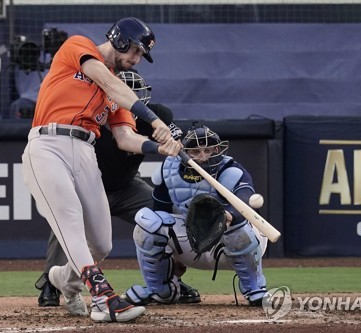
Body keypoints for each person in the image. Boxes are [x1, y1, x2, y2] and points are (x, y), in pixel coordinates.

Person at [21, 17, 182, 323]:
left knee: (101, 243)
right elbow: (106, 81)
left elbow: (125, 138)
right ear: (119, 40)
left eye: (139, 55)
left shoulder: (117, 97)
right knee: (69, 216)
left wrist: (158, 146)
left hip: (84, 150)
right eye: (134, 51)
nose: (135, 60)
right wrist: (157, 121)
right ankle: (103, 298)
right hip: (48, 143)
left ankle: (63, 279)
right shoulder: (78, 46)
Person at [35, 70, 200, 308]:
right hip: (88, 186)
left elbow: (178, 140)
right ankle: (52, 283)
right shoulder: (92, 116)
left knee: (166, 217)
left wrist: (179, 143)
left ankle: (166, 282)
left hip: (126, 187)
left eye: (134, 93)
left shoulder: (157, 116)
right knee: (67, 219)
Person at [123, 124, 268, 307]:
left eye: (208, 150)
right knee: (148, 223)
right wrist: (171, 256)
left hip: (229, 242)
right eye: (196, 152)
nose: (202, 157)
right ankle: (161, 290)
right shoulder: (169, 170)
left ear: (217, 149)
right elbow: (161, 212)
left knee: (235, 229)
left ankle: (255, 289)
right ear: (185, 151)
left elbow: (244, 203)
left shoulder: (231, 170)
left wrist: (228, 216)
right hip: (192, 240)